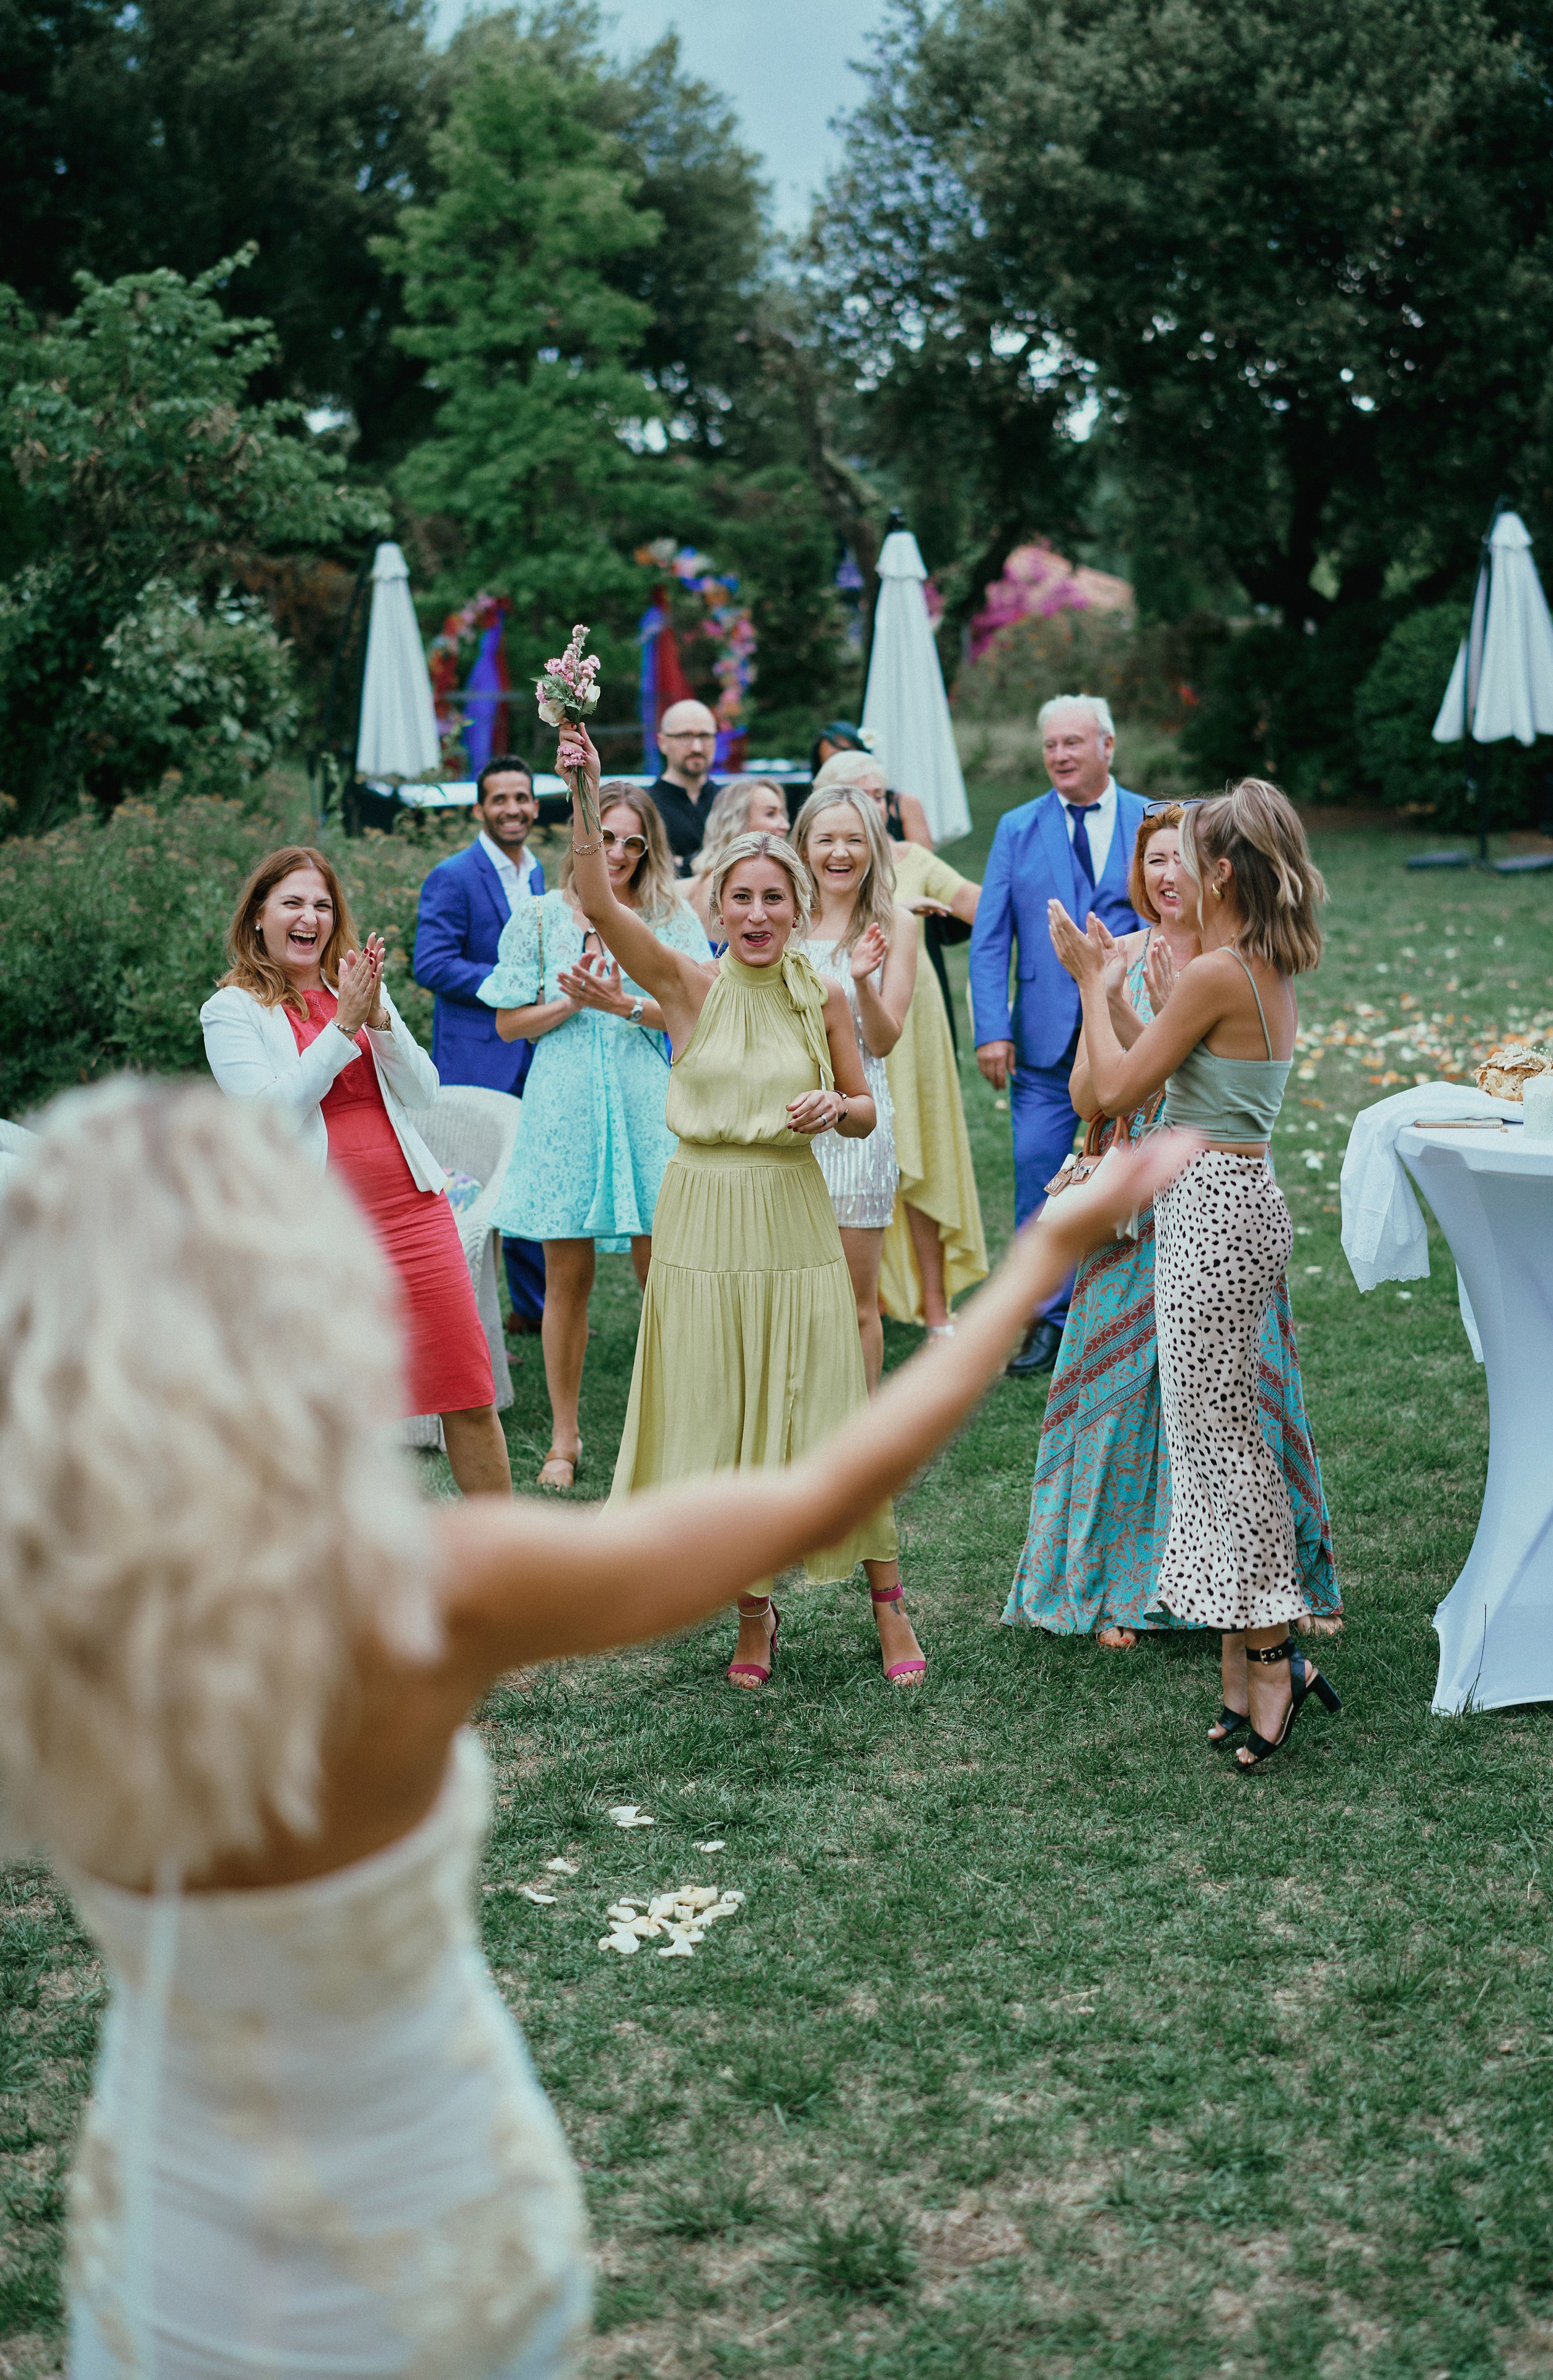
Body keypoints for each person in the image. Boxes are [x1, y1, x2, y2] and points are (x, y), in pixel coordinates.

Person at [0, 1074, 1190, 2380]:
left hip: (170, 2265)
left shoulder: (35, 1635)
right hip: (433, 2233)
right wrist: (1040, 1260)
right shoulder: (414, 1597)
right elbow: (819, 1495)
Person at [556, 721, 928, 1688]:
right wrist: (590, 790)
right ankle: (751, 1615)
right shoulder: (686, 982)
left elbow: (858, 1108)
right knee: (724, 1408)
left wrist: (830, 1108)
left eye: (775, 897)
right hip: (701, 1218)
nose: (758, 913)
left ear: (800, 906)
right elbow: (597, 894)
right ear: (714, 906)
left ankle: (890, 1605)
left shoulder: (827, 992)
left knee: (826, 1405)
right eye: (741, 897)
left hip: (793, 1211)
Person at [1048, 777, 1344, 1767]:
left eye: (1190, 852)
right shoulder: (1251, 963)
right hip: (1222, 1199)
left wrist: (1092, 982)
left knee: (1223, 1446)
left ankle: (1274, 1655)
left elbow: (1117, 1089)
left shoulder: (1219, 971)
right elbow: (1168, 1075)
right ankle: (1242, 1666)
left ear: (1219, 871)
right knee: (1210, 1434)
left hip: (1216, 1211)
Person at [201, 847, 511, 1499]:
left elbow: (424, 1093)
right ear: (259, 916)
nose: (309, 916)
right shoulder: (231, 1010)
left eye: (321, 904)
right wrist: (342, 1030)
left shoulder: (357, 989)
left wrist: (378, 1020)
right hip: (318, 1232)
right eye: (292, 903)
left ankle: (513, 1576)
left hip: (414, 1215)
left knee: (469, 1394)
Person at [477, 786, 711, 1491]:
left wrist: (627, 1003)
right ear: (583, 839)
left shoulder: (669, 917)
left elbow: (702, 1007)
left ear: (649, 851)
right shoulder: (541, 918)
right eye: (605, 836)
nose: (616, 853)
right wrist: (571, 1001)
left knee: (662, 1274)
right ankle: (564, 1437)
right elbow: (508, 1025)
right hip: (565, 1103)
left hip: (649, 1106)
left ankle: (676, 1431)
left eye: (632, 842)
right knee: (565, 1279)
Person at [970, 694, 1148, 1377]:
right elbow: (989, 940)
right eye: (1050, 746)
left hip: (1136, 1031)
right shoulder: (1017, 827)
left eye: (1073, 743)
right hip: (1043, 1040)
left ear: (1108, 746)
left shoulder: (1152, 822)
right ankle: (1045, 1322)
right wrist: (992, 1029)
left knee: (1143, 1169)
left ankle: (1134, 1314)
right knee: (1038, 1175)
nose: (1060, 756)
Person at [812, 752, 987, 1335]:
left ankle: (930, 1307)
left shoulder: (905, 880)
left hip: (890, 1057)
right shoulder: (783, 913)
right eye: (861, 791)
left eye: (880, 795)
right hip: (804, 1097)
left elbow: (980, 906)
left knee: (918, 1159)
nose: (842, 850)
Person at [413, 754, 548, 1335]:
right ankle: (474, 1327)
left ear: (536, 807)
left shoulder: (538, 872)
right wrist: (512, 987)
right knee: (476, 1193)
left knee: (532, 1178)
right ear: (479, 807)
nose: (512, 809)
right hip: (476, 1055)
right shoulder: (455, 875)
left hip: (534, 1049)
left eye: (522, 798)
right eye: (500, 799)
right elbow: (431, 963)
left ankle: (534, 1309)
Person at [791, 787, 915, 1391]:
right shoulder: (779, 918)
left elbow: (886, 1039)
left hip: (859, 1127)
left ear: (873, 846)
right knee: (789, 1295)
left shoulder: (895, 923)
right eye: (826, 839)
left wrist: (863, 983)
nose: (839, 852)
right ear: (803, 846)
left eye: (854, 839)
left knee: (855, 1301)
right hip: (787, 1124)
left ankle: (861, 1445)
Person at [684, 778, 790, 934]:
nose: (785, 825)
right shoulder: (717, 884)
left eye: (773, 898)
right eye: (770, 814)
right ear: (738, 822)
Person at [648, 697, 724, 873]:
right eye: (685, 736)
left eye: (705, 736)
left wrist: (684, 864)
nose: (697, 747)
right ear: (663, 743)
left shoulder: (731, 802)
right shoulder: (646, 807)